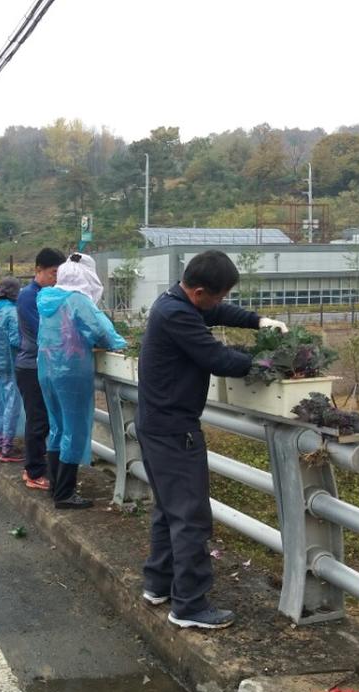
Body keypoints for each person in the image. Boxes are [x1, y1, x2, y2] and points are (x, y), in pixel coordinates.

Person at [136, 249, 288, 630]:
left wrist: (259, 322)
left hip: (157, 423)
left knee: (168, 510)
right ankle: (189, 606)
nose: (220, 304)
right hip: (174, 429)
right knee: (191, 517)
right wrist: (268, 364)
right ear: (200, 291)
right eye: (217, 296)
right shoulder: (176, 315)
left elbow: (218, 314)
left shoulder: (175, 301)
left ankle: (159, 584)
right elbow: (218, 359)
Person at [37, 252, 126, 508]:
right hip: (71, 371)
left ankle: (55, 487)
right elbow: (102, 332)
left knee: (56, 427)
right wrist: (121, 344)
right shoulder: (78, 301)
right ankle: (65, 494)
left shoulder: (46, 298)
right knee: (74, 429)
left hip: (46, 368)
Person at [15, 248, 66, 491]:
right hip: (30, 366)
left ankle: (35, 467)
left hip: (44, 365)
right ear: (38, 270)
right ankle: (34, 471)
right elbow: (44, 332)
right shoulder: (28, 296)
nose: (56, 278)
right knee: (38, 420)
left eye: (59, 274)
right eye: (53, 273)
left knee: (45, 419)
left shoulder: (51, 294)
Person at [0, 277, 24, 462]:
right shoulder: (12, 312)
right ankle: (7, 448)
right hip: (10, 363)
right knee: (12, 404)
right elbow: (16, 340)